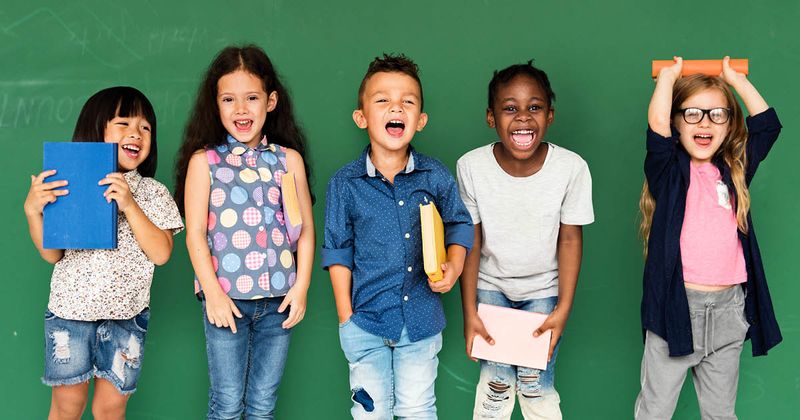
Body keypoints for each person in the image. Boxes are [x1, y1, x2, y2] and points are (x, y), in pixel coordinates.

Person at [321, 53, 474, 419]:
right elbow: (337, 253)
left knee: (418, 409)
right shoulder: (345, 184)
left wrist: (454, 265)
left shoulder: (434, 176)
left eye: (407, 101)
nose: (396, 107)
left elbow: (459, 225)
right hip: (365, 322)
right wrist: (346, 316)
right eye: (383, 100)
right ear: (362, 118)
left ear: (420, 120)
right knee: (370, 413)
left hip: (421, 322)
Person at [634, 56, 783, 419]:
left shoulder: (734, 171)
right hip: (675, 310)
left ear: (729, 124)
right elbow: (655, 125)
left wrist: (735, 80)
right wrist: (667, 79)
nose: (705, 122)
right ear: (676, 122)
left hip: (729, 311)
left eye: (717, 114)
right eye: (692, 114)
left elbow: (767, 126)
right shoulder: (669, 174)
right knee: (655, 410)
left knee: (720, 413)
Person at [24, 86, 183, 419]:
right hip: (70, 315)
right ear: (96, 130)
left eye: (145, 127)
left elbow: (161, 252)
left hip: (126, 318)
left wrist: (129, 204)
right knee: (67, 405)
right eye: (123, 123)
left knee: (110, 409)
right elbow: (53, 255)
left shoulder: (153, 192)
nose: (136, 133)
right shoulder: (70, 185)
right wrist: (33, 212)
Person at [174, 44, 315, 419]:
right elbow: (194, 236)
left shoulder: (289, 160)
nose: (241, 109)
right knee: (227, 403)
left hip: (279, 302)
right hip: (227, 303)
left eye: (251, 98)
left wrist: (300, 287)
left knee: (263, 404)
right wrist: (214, 295)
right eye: (229, 99)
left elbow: (306, 233)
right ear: (215, 105)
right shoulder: (204, 162)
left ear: (270, 101)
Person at [457, 61, 594, 419]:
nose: (522, 117)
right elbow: (470, 239)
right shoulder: (471, 167)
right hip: (491, 288)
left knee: (535, 385)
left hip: (544, 291)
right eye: (510, 108)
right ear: (491, 117)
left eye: (534, 107)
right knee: (496, 386)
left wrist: (563, 307)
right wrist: (469, 310)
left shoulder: (571, 168)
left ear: (550, 115)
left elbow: (570, 240)